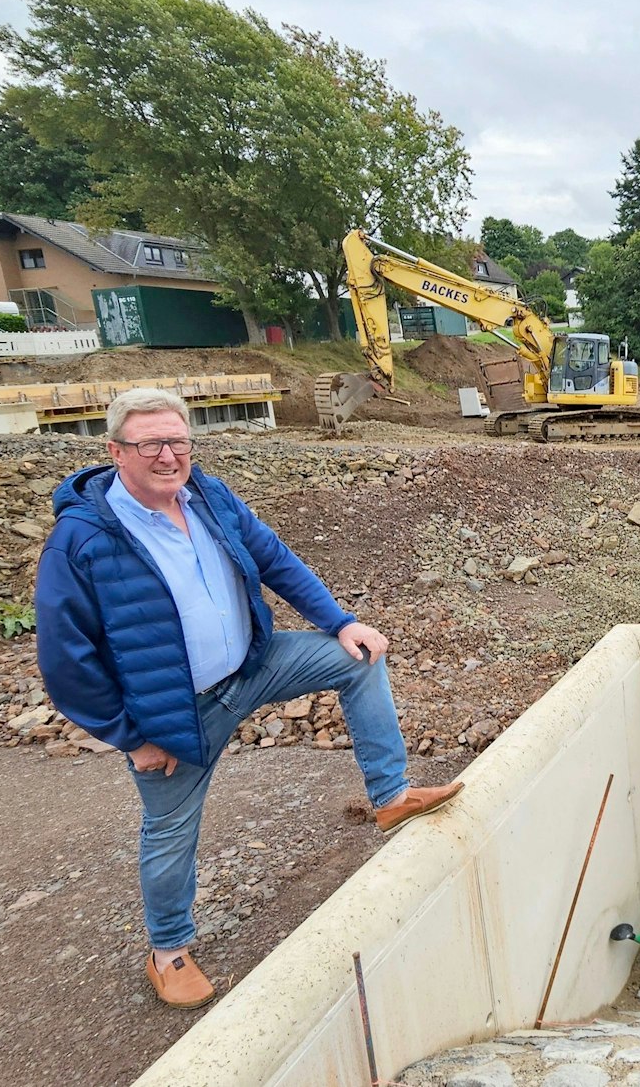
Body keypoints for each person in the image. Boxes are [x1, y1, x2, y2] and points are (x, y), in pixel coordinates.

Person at [34, 387, 461, 1010]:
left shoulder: (208, 495)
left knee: (359, 659)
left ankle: (391, 795)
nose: (167, 455)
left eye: (178, 441)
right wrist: (134, 737)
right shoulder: (82, 540)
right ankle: (169, 950)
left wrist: (340, 621)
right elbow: (65, 660)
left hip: (253, 666)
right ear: (115, 451)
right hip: (176, 711)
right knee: (171, 830)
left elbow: (274, 560)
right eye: (150, 443)